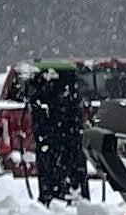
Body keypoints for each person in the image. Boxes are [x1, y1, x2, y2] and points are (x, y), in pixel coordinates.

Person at [29, 60, 91, 203]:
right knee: (71, 160)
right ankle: (72, 192)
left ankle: (53, 195)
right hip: (67, 133)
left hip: (51, 133)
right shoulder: (70, 87)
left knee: (51, 161)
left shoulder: (40, 82)